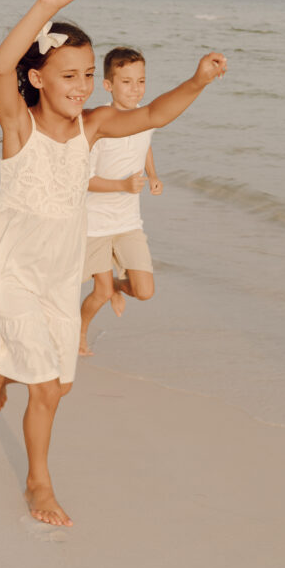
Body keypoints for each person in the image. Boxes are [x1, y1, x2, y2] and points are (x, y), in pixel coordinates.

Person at [0, 0, 227, 527]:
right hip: (12, 271)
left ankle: (4, 368)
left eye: (89, 74)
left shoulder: (91, 128)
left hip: (58, 274)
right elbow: (3, 65)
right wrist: (46, 4)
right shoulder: (19, 128)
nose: (82, 86)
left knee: (61, 385)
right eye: (68, 74)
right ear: (40, 80)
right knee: (45, 386)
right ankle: (38, 482)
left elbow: (150, 115)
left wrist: (196, 82)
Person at [79, 47, 162, 356]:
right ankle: (80, 332)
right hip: (96, 223)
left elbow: (146, 145)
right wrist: (122, 185)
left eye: (140, 81)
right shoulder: (98, 125)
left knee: (145, 291)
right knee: (99, 292)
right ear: (108, 85)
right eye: (126, 82)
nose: (135, 89)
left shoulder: (146, 117)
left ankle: (117, 285)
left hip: (128, 223)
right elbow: (83, 180)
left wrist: (153, 174)